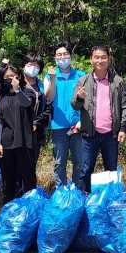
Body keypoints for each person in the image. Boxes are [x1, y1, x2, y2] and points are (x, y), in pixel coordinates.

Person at [71, 46, 126, 193]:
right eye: (96, 57)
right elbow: (75, 105)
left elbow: (124, 106)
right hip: (90, 133)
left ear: (109, 60)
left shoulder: (117, 81)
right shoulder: (83, 81)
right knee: (86, 169)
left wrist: (122, 128)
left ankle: (111, 200)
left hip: (111, 133)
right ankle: (84, 200)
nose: (100, 60)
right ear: (91, 60)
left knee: (111, 169)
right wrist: (79, 98)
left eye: (103, 57)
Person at [44, 41, 85, 188]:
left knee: (79, 162)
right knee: (60, 162)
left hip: (77, 126)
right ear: (55, 58)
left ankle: (77, 192)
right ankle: (61, 192)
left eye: (65, 54)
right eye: (59, 55)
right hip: (59, 126)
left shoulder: (81, 76)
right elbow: (48, 98)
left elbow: (88, 101)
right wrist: (53, 78)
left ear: (71, 56)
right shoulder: (49, 76)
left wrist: (83, 120)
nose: (62, 57)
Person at [0, 63, 36, 203]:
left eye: (13, 75)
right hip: (6, 142)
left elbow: (27, 103)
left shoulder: (27, 91)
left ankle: (31, 210)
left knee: (28, 178)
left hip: (25, 141)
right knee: (8, 180)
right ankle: (8, 210)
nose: (10, 78)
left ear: (19, 76)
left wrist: (17, 90)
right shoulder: (2, 96)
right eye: (7, 76)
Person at [21, 53, 50, 165]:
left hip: (35, 132)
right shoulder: (16, 85)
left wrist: (37, 122)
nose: (33, 68)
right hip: (17, 132)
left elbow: (47, 108)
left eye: (37, 66)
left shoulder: (42, 87)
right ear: (23, 66)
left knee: (30, 166)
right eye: (30, 64)